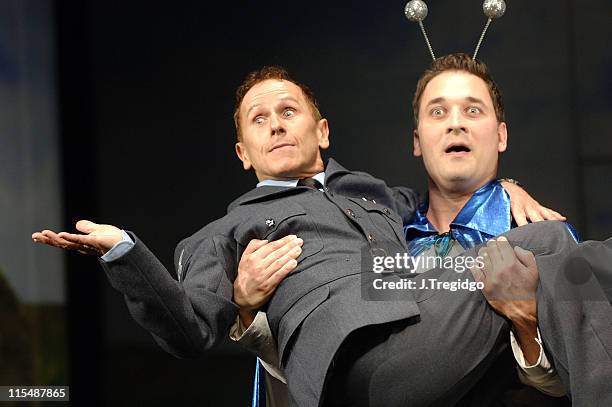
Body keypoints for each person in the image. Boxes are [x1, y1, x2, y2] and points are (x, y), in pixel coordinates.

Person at [31, 66, 609, 406]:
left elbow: (445, 196)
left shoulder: (377, 196)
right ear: (242, 153)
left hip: (411, 302)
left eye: (289, 110)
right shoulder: (223, 232)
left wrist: (505, 185)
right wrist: (127, 254)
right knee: (543, 254)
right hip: (350, 350)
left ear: (322, 129)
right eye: (259, 119)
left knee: (553, 244)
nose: (277, 122)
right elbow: (187, 328)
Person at [233, 54, 575, 405]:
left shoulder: (535, 231)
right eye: (438, 112)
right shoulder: (380, 235)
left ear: (500, 135)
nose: (455, 124)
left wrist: (527, 324)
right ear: (416, 140)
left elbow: (576, 374)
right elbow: (332, 354)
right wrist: (248, 313)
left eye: (473, 110)